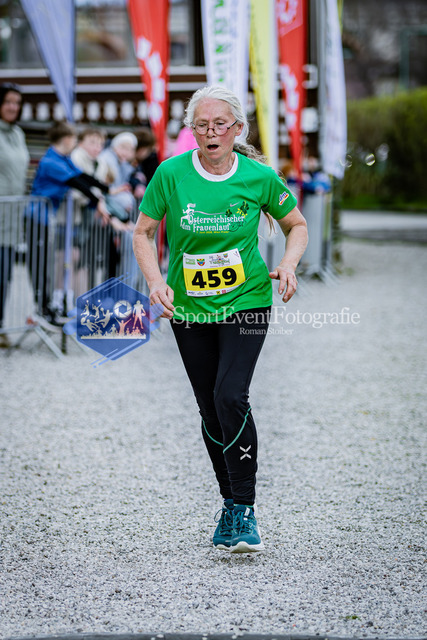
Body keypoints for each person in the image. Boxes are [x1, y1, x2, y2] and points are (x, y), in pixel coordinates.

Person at [133, 85, 308, 553]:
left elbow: (296, 224)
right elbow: (143, 232)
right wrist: (155, 281)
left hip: (247, 300)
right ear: (192, 130)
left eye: (219, 125)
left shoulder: (259, 177)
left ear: (237, 130)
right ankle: (230, 503)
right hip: (189, 308)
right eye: (202, 125)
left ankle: (245, 509)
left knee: (230, 395)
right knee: (209, 407)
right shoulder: (171, 174)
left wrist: (288, 263)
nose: (211, 133)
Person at [30, 121, 111, 320]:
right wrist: (98, 200)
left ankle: (50, 306)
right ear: (66, 139)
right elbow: (75, 183)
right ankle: (43, 308)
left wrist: (106, 190)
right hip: (36, 217)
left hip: (47, 217)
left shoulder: (63, 158)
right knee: (41, 264)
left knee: (49, 262)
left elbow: (82, 176)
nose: (75, 143)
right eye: (74, 139)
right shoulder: (51, 161)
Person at [0, 82, 30, 347]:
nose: (13, 107)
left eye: (17, 103)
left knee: (4, 277)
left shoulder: (18, 133)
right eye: (8, 101)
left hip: (10, 221)